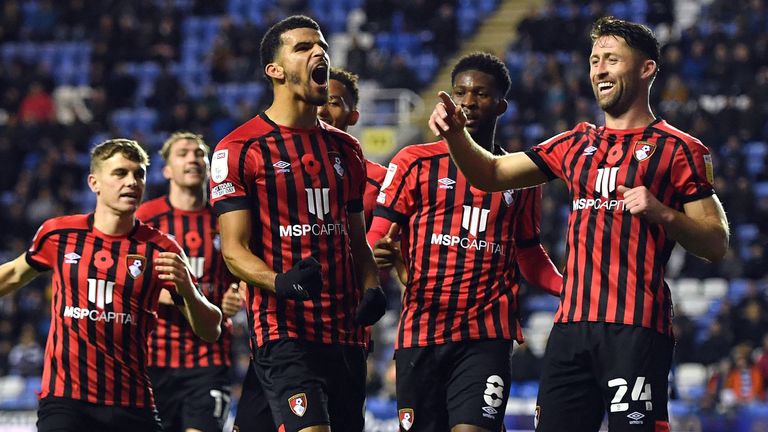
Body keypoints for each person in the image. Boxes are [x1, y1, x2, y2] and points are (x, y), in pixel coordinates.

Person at [429, 17, 730, 432]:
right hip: (570, 329)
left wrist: (662, 212)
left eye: (611, 59)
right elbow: (492, 175)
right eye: (594, 61)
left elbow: (716, 243)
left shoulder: (679, 149)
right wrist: (455, 137)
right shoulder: (575, 142)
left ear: (646, 69)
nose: (599, 70)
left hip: (636, 328)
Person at [368, 52, 562, 432]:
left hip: (486, 335)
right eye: (461, 93)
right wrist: (377, 255)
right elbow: (378, 233)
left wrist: (565, 286)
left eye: (481, 94)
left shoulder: (520, 176)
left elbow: (529, 253)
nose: (469, 102)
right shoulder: (414, 161)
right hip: (422, 331)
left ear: (501, 105)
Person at [210, 16, 385, 432]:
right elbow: (234, 251)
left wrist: (372, 286)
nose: (319, 52)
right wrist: (279, 282)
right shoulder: (239, 149)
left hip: (347, 335)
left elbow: (356, 241)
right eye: (303, 47)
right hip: (284, 330)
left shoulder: (347, 149)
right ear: (275, 70)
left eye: (321, 45)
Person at [0, 138, 223, 432]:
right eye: (120, 173)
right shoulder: (59, 234)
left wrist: (187, 289)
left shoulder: (160, 248)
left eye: (138, 174)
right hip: (66, 400)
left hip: (132, 403)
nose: (131, 182)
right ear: (94, 182)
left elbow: (210, 330)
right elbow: (13, 274)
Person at [136, 131, 243, 432]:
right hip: (153, 361)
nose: (193, 159)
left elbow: (244, 267)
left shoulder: (226, 217)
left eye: (199, 154)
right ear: (167, 170)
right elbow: (124, 277)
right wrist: (178, 296)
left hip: (209, 358)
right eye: (183, 153)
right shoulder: (146, 219)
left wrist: (238, 291)